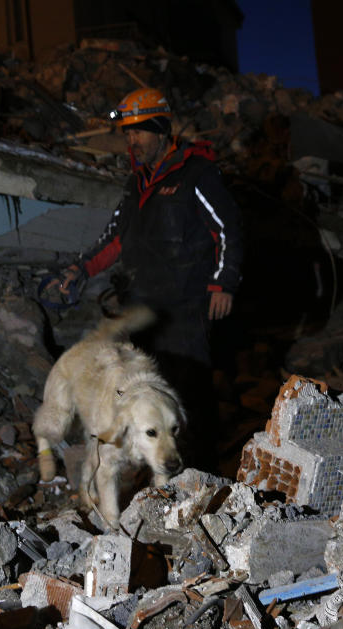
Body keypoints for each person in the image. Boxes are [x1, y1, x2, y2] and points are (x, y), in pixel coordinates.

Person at [53, 87, 244, 469]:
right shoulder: (136, 185)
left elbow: (228, 230)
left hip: (187, 309)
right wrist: (82, 267)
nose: (131, 140)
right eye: (127, 133)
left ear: (160, 129)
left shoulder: (196, 175)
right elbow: (113, 240)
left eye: (138, 131)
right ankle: (160, 478)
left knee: (189, 395)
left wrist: (223, 283)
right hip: (142, 310)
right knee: (147, 399)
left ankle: (202, 475)